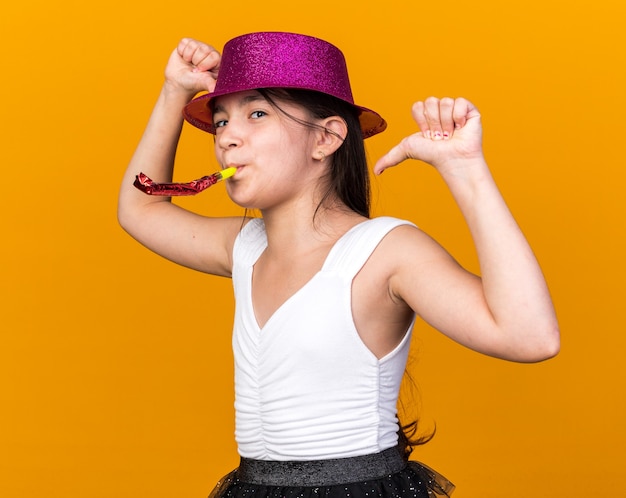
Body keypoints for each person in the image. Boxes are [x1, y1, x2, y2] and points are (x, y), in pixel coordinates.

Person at [118, 31, 559, 497]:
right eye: (221, 121)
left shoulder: (384, 251)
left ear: (326, 138)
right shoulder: (245, 247)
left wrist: (464, 169)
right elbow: (140, 209)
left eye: (258, 113)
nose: (227, 137)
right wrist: (174, 92)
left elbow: (529, 336)